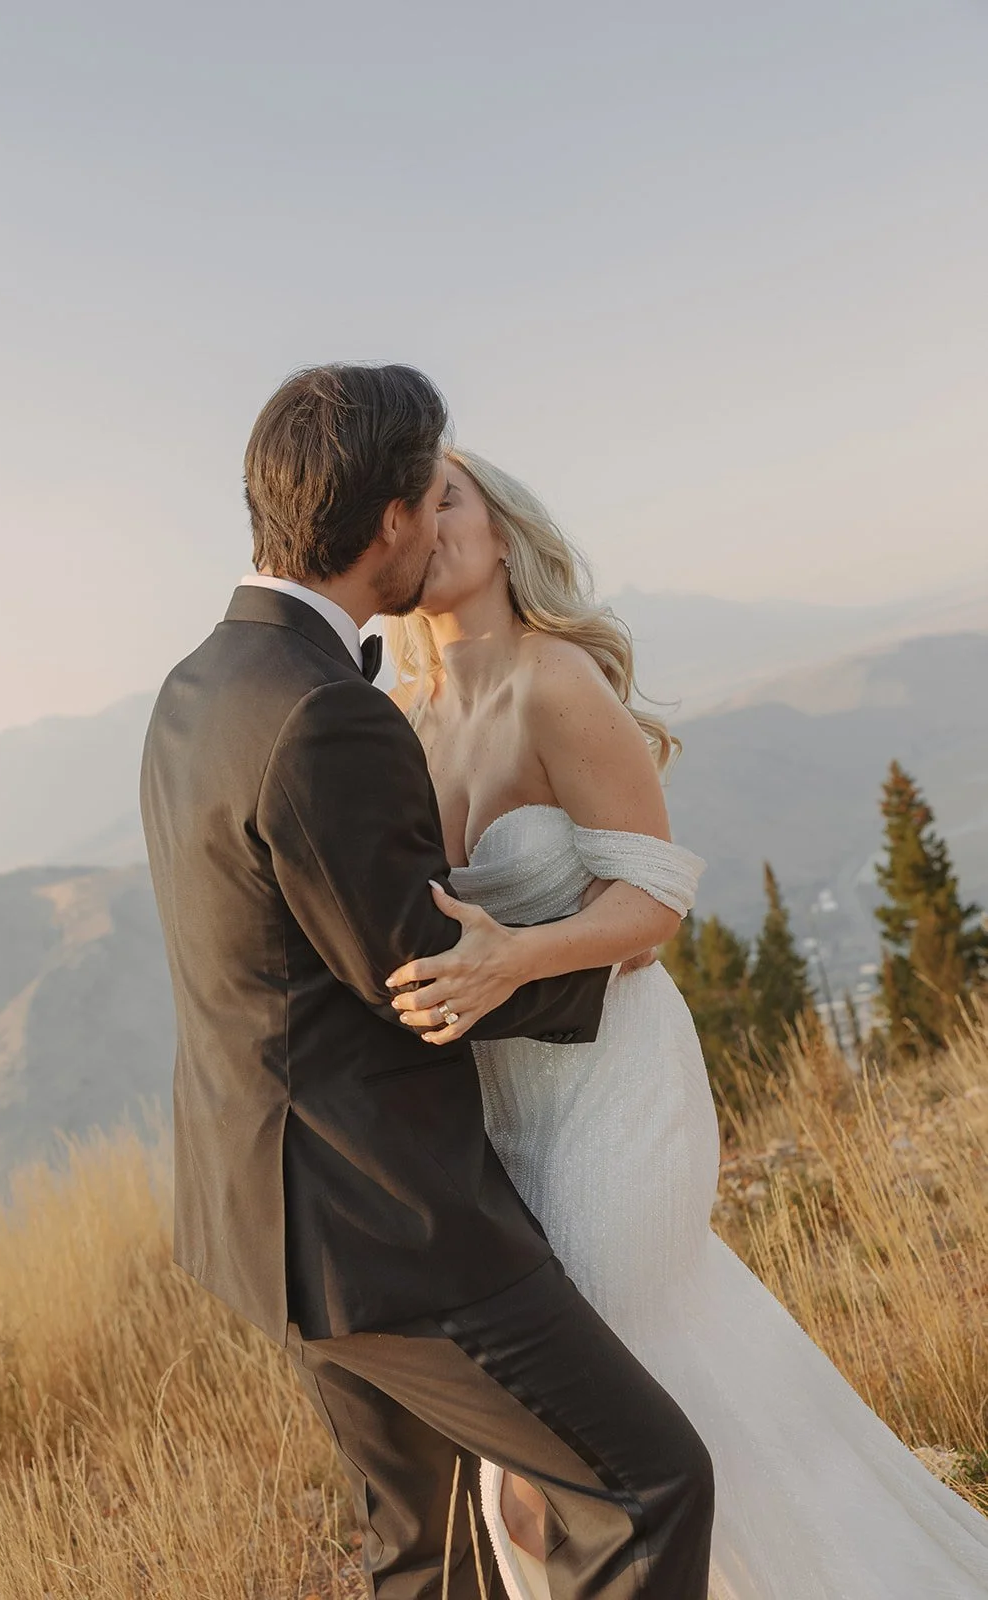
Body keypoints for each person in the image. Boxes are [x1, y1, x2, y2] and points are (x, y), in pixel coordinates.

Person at [140, 364, 714, 1600]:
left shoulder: (200, 686)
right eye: (424, 496)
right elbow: (418, 973)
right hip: (390, 1224)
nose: (439, 520)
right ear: (389, 522)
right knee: (647, 1487)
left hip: (265, 1224)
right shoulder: (331, 713)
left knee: (429, 1548)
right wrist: (578, 981)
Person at [383, 448, 988, 1600]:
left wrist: (511, 956)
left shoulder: (555, 679)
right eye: (407, 504)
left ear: (505, 534)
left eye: (447, 495)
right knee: (627, 1395)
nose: (424, 518)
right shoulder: (406, 720)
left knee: (581, 1411)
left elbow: (654, 898)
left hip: (616, 1088)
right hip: (499, 1121)